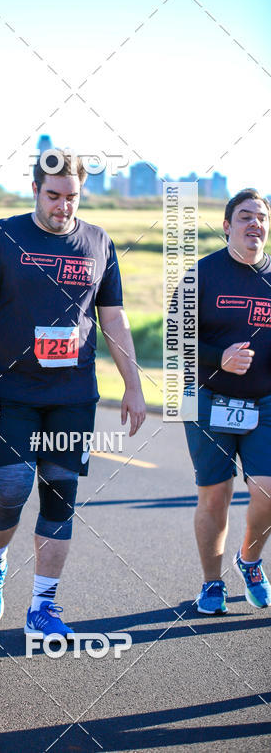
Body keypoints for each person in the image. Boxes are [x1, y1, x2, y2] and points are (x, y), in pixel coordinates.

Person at [0, 149, 146, 639]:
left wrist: (132, 385)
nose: (62, 206)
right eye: (53, 196)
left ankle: (43, 606)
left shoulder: (99, 242)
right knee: (10, 489)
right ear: (34, 192)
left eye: (71, 197)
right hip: (12, 390)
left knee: (59, 493)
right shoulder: (2, 236)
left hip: (73, 392)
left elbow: (112, 317)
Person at [184, 188, 271, 614]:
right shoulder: (199, 275)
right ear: (226, 227)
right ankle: (211, 583)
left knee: (269, 492)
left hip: (266, 403)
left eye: (261, 217)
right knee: (215, 496)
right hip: (206, 400)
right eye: (245, 217)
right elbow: (173, 341)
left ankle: (250, 560)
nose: (255, 224)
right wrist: (219, 357)